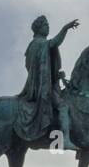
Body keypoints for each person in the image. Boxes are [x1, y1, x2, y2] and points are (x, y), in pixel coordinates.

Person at [15, 14, 80, 149]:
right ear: (38, 29)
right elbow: (54, 42)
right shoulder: (40, 43)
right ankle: (66, 140)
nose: (48, 27)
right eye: (45, 25)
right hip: (44, 87)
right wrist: (65, 28)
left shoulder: (33, 46)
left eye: (48, 25)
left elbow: (34, 66)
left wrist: (55, 74)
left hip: (45, 83)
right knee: (63, 107)